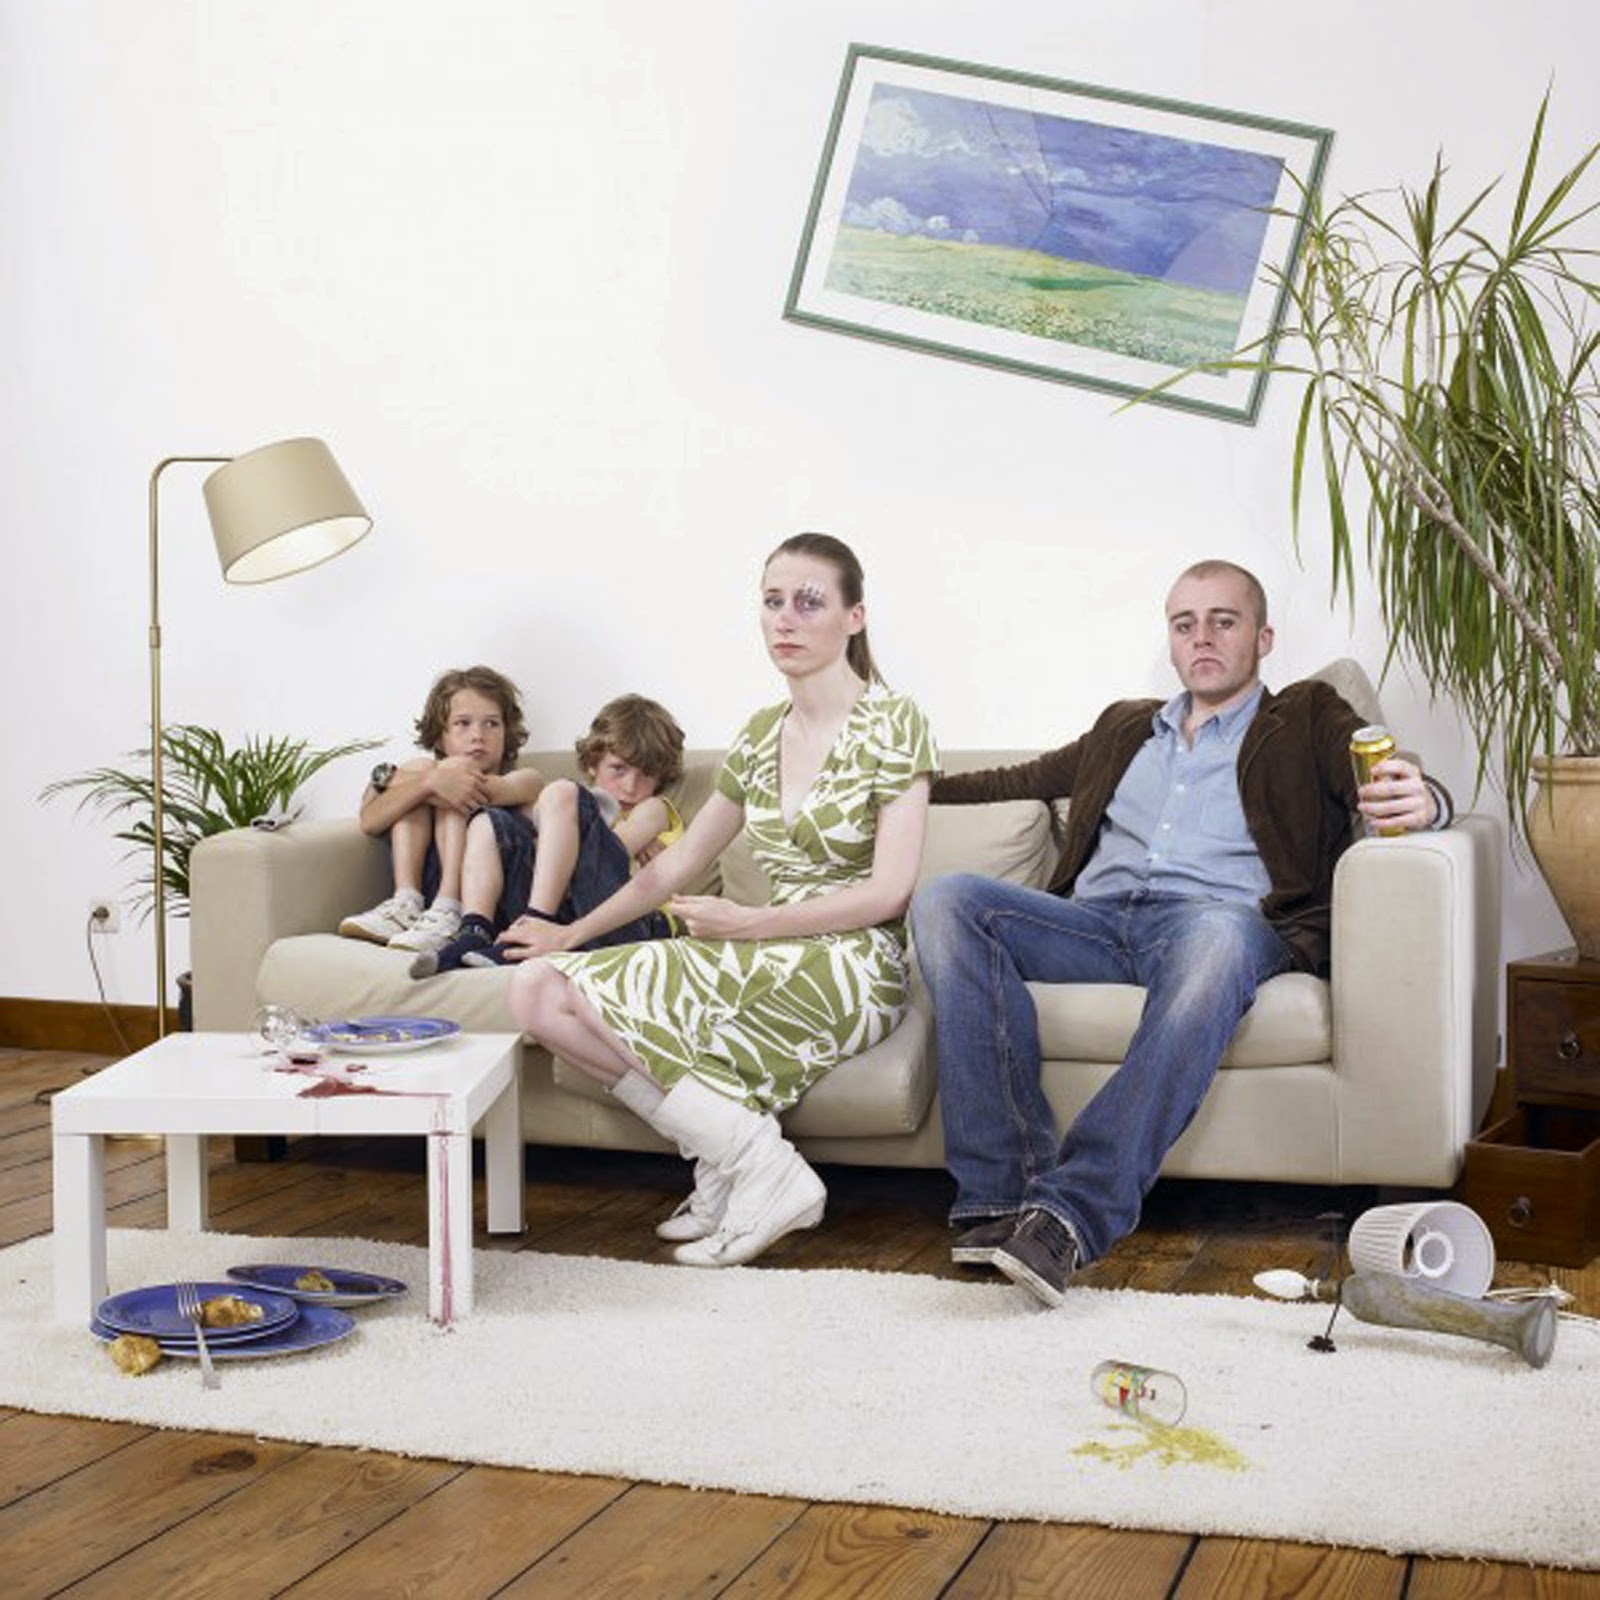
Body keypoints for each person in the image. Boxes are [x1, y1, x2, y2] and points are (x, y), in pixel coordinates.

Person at [909, 559, 1453, 1309]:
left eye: (1223, 622)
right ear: (1169, 639)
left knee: (1217, 940)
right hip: (1095, 923)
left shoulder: (1304, 715)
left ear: (1262, 638)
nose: (1202, 638)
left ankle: (1070, 1213)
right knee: (948, 899)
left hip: (1217, 921)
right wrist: (895, 786)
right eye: (1184, 624)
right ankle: (1001, 1197)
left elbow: (1383, 769)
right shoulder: (1124, 726)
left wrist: (1425, 798)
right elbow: (1015, 780)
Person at [506, 533, 937, 1268]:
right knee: (538, 990)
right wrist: (568, 934)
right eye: (773, 601)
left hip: (856, 962)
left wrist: (754, 923)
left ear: (854, 617)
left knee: (601, 996)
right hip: (767, 947)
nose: (785, 619)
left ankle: (752, 1171)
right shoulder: (760, 736)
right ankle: (738, 1161)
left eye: (809, 602)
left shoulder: (896, 723)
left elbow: (890, 891)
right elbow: (672, 870)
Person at [414, 693, 687, 977]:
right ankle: (475, 930)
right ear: (592, 763)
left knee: (561, 793)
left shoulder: (654, 808)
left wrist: (564, 823)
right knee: (490, 821)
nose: (630, 787)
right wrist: (553, 827)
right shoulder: (575, 809)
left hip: (634, 923)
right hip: (569, 921)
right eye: (618, 769)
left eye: (646, 774)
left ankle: (534, 923)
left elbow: (614, 849)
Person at [339, 666, 543, 957]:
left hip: (491, 904)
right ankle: (406, 902)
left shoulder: (526, 779)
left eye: (492, 724)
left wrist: (424, 781)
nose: (478, 735)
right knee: (425, 774)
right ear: (439, 736)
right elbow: (370, 822)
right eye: (463, 723)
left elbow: (469, 786)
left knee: (455, 778)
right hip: (429, 907)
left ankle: (451, 906)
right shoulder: (426, 773)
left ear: (506, 732)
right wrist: (426, 782)